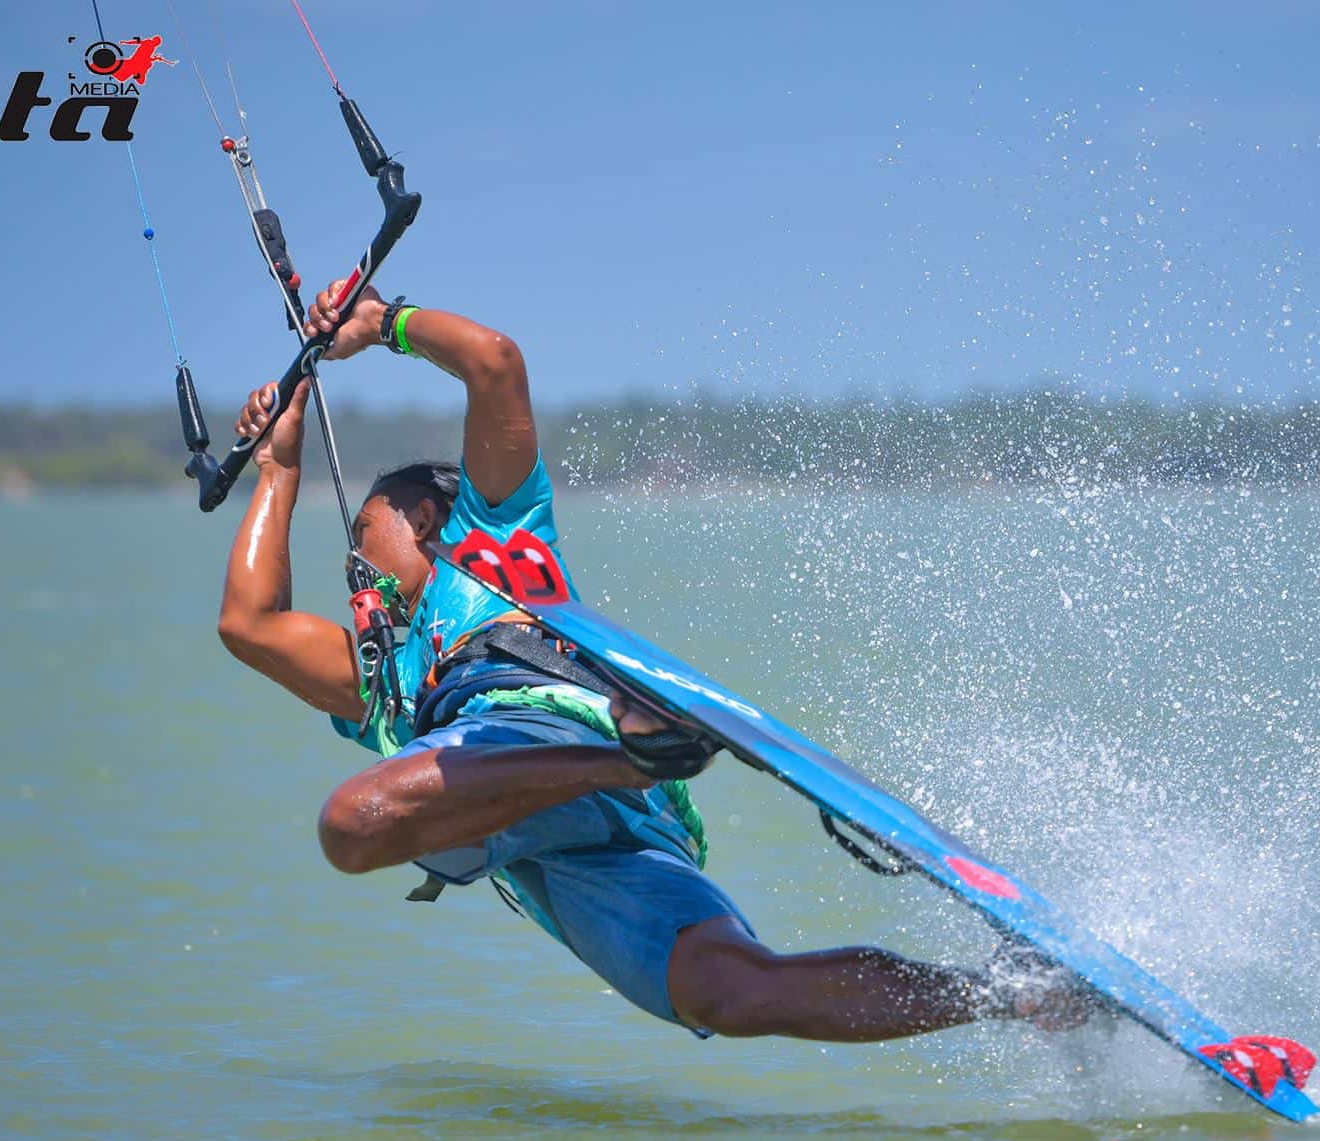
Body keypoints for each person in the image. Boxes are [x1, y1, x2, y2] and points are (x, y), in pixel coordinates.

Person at [213, 281, 1085, 1042]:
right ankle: (1018, 992)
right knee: (733, 991)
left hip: (574, 755)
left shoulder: (494, 539)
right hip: (561, 860)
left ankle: (624, 757)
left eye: (366, 535)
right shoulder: (385, 680)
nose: (354, 566)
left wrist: (383, 322)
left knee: (352, 818)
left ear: (431, 520)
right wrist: (278, 464)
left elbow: (494, 363)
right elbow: (250, 624)